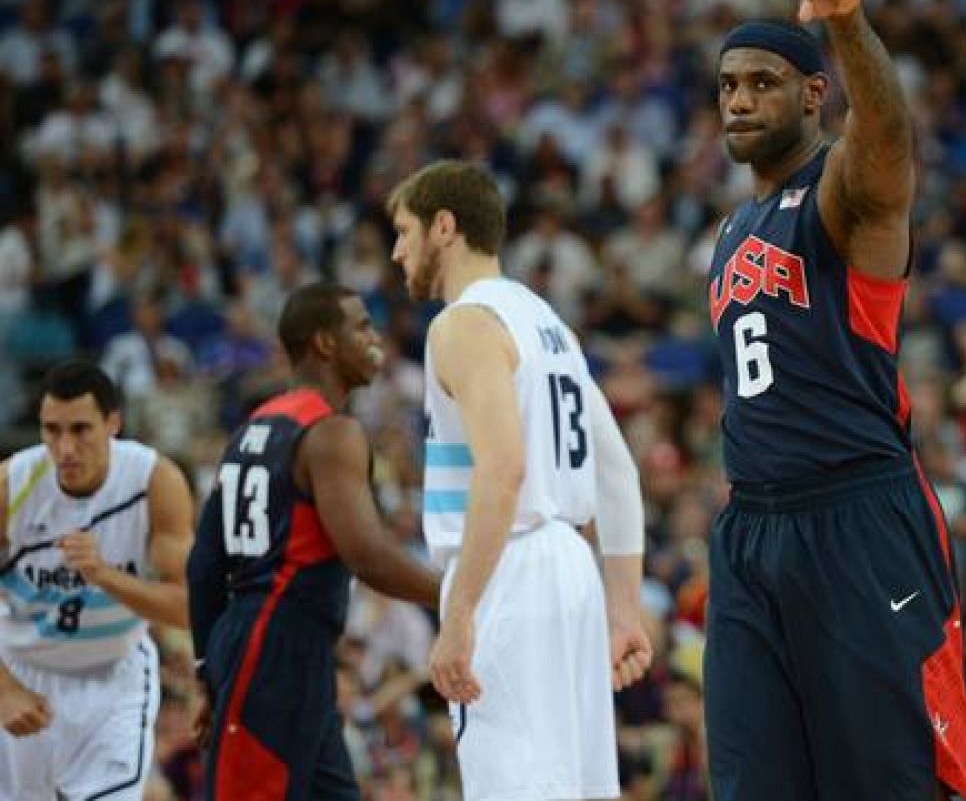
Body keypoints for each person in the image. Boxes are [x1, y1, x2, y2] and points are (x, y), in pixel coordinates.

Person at [703, 0, 966, 801]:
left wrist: (849, 24)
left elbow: (890, 141)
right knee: (754, 781)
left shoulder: (842, 195)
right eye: (728, 86)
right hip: (752, 530)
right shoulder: (729, 231)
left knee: (890, 778)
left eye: (764, 82)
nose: (740, 101)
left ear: (813, 93)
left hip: (858, 516)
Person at [387, 159, 652, 801]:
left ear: (444, 227)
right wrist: (623, 608)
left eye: (403, 231)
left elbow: (502, 470)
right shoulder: (547, 323)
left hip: (510, 570)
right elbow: (616, 468)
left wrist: (460, 611)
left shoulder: (462, 324)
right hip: (572, 571)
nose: (396, 252)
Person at [186, 282, 443, 801]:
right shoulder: (333, 434)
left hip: (270, 648)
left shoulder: (249, 430)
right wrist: (461, 594)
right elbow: (367, 556)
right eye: (362, 327)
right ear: (325, 343)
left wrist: (209, 670)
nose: (376, 339)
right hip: (276, 646)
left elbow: (204, 566)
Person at [0, 359, 194, 800]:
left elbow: (186, 606)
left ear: (113, 423)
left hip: (112, 680)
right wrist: (4, 689)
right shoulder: (13, 484)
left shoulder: (154, 482)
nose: (65, 447)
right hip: (22, 671)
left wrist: (104, 575)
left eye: (80, 430)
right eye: (52, 430)